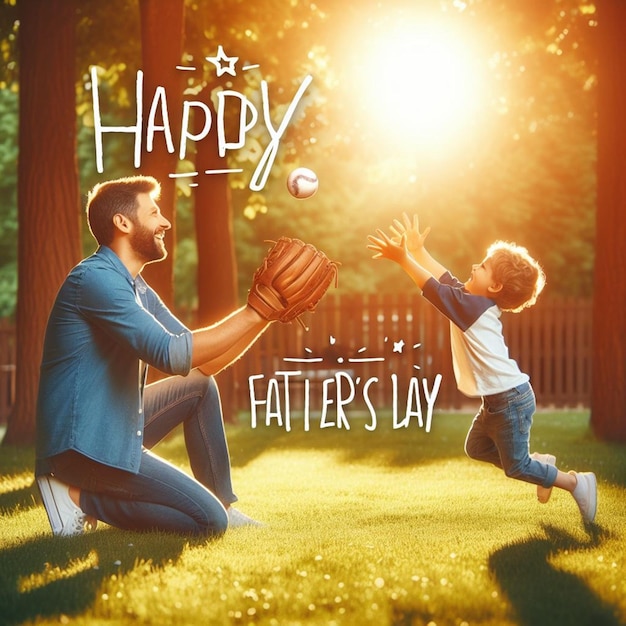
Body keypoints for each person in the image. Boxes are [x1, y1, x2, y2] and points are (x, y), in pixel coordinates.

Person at [36, 175, 275, 537]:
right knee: (208, 523)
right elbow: (170, 354)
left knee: (199, 387)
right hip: (81, 448)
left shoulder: (138, 288)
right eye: (154, 212)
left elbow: (201, 363)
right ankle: (77, 495)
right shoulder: (94, 280)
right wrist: (253, 312)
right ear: (123, 222)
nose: (165, 222)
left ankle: (223, 504)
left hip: (112, 429)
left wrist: (264, 316)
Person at [367, 213, 597, 524]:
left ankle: (574, 482)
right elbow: (444, 279)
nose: (475, 267)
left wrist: (404, 259)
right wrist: (419, 252)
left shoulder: (472, 308)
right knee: (475, 447)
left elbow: (433, 288)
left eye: (484, 266)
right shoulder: (472, 301)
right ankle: (542, 466)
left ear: (496, 285)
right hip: (500, 399)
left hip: (510, 399)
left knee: (516, 467)